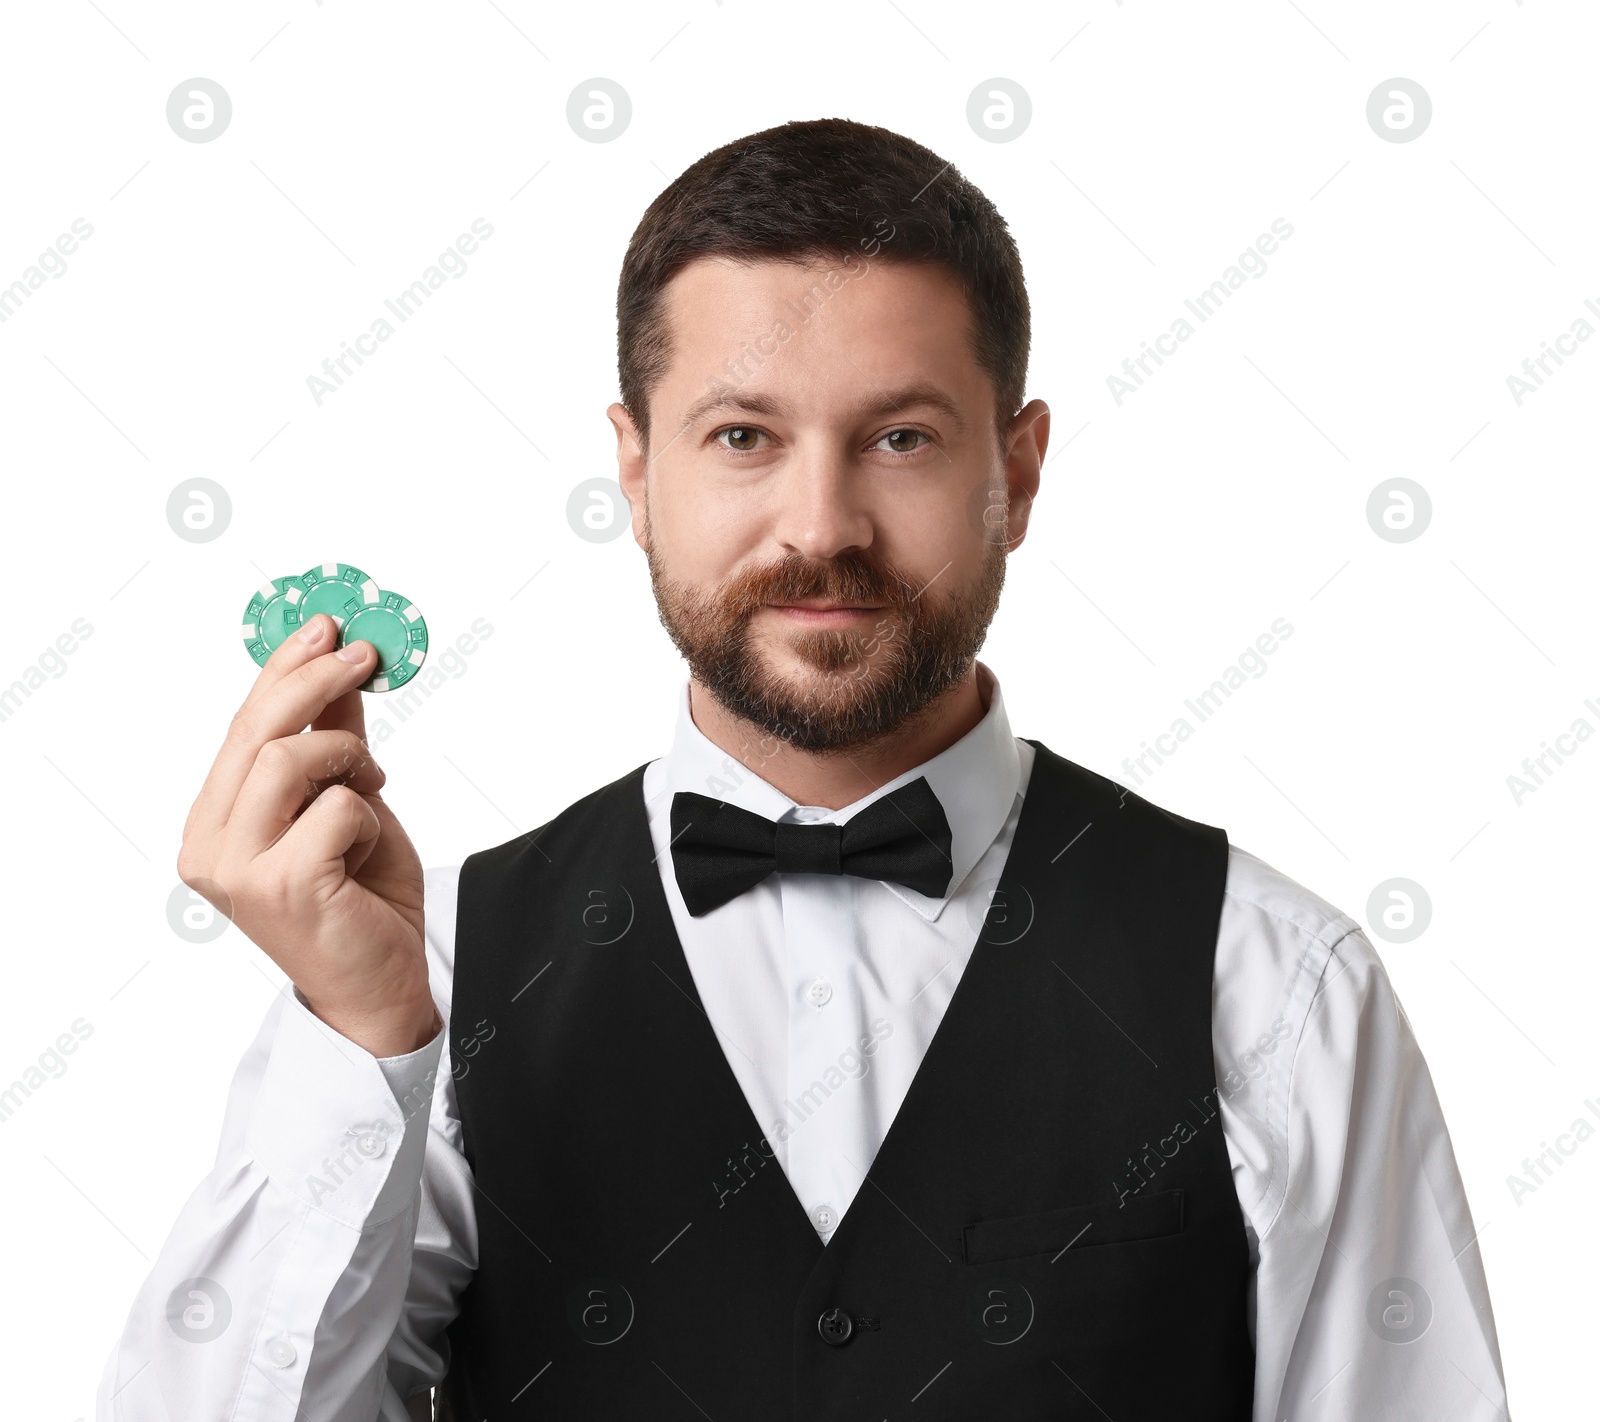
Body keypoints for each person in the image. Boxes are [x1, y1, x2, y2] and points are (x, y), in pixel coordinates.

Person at [97, 118, 1508, 1420]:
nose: (821, 525)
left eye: (900, 437)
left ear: (1016, 469)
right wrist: (357, 1045)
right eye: (743, 438)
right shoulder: (437, 978)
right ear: (635, 471)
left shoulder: (1275, 984)